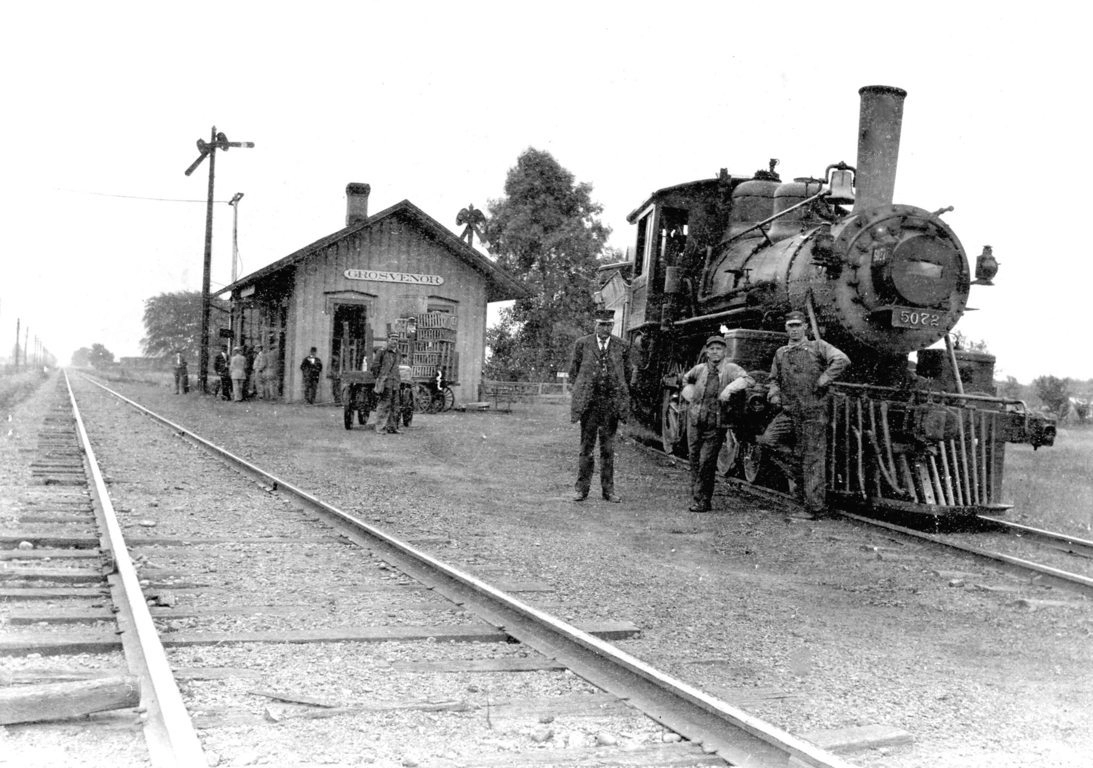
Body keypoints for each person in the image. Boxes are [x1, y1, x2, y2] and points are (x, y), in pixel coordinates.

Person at [759, 310, 850, 519]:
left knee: (813, 458)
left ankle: (813, 508)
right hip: (790, 411)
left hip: (813, 411)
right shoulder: (781, 352)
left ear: (805, 327)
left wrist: (825, 378)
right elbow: (773, 378)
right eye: (790, 325)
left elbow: (842, 360)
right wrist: (774, 392)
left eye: (798, 325)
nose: (794, 329)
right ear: (786, 328)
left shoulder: (818, 346)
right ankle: (802, 479)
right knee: (768, 441)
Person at [682, 336, 754, 513]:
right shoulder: (699, 369)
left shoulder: (730, 369)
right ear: (707, 352)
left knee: (706, 461)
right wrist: (689, 393)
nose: (715, 352)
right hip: (695, 421)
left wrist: (729, 389)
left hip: (715, 424)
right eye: (712, 348)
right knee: (694, 459)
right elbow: (685, 380)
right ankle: (697, 497)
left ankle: (703, 500)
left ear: (725, 352)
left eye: (719, 349)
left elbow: (748, 379)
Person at [568, 309, 631, 503]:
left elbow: (627, 375)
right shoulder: (583, 344)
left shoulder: (622, 346)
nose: (605, 328)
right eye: (601, 324)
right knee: (586, 448)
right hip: (589, 405)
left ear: (613, 325)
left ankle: (608, 491)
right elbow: (573, 373)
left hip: (610, 405)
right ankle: (581, 490)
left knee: (608, 449)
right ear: (595, 325)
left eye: (609, 325)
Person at [371, 333, 403, 434]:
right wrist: (380, 378)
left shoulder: (398, 352)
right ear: (388, 340)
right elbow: (375, 366)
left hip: (395, 383)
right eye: (393, 339)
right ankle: (380, 428)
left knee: (395, 406)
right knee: (384, 405)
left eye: (397, 340)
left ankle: (392, 427)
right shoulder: (382, 351)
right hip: (385, 382)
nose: (395, 341)